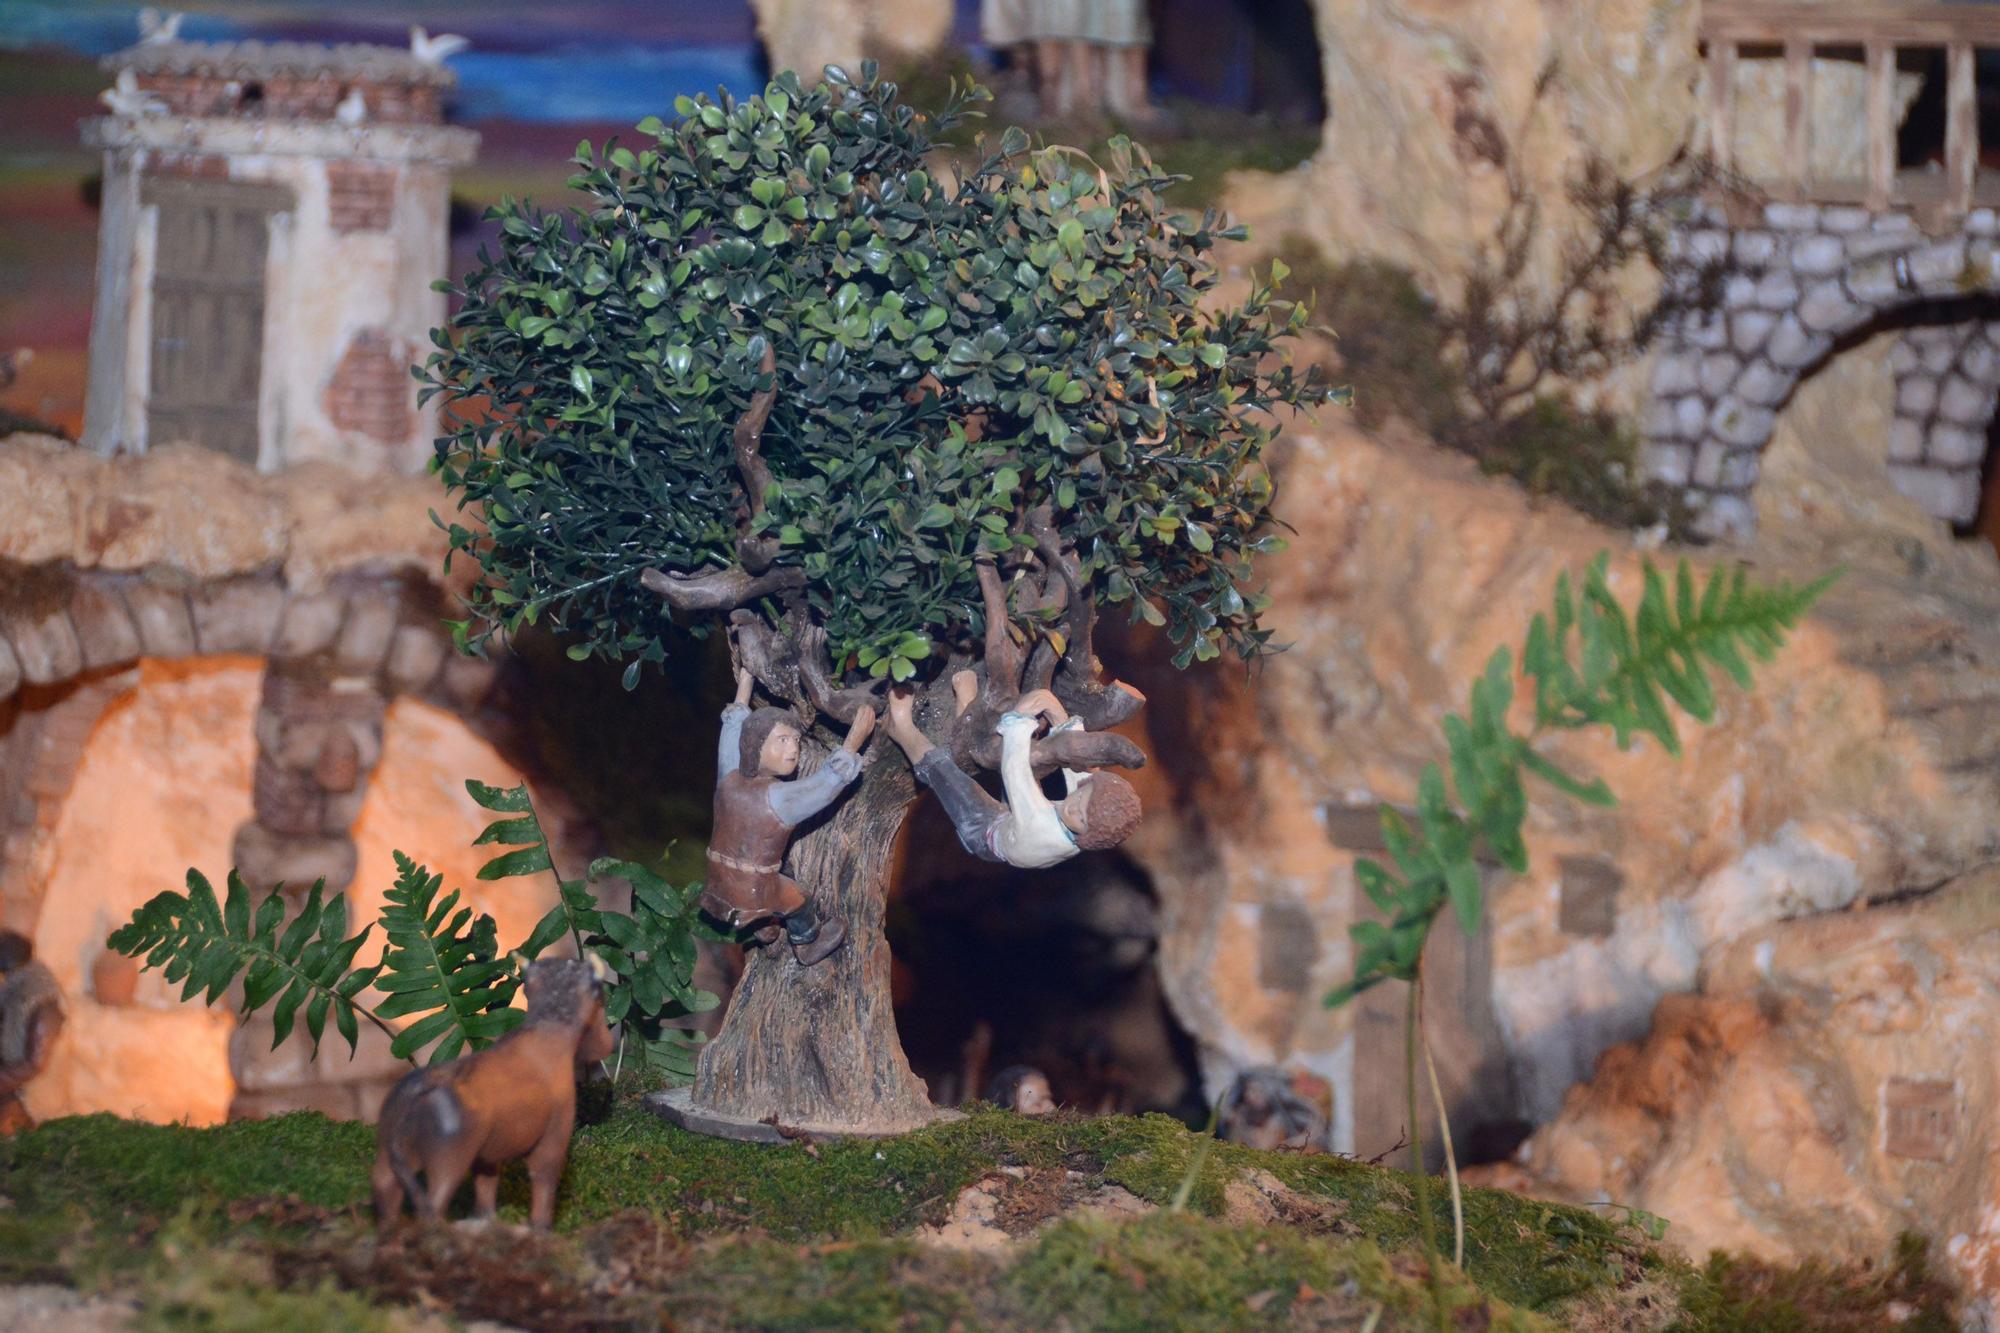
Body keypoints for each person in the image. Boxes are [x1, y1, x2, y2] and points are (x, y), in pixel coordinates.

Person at [704, 667, 874, 966]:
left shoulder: (728, 777)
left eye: (795, 741)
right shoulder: (778, 798)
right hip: (754, 890)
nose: (793, 749)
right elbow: (824, 786)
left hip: (718, 881)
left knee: (778, 877)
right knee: (798, 899)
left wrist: (745, 684)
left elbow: (731, 733)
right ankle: (807, 942)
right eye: (781, 740)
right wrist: (853, 743)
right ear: (755, 745)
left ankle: (763, 927)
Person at [884, 681, 1141, 869]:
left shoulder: (1043, 826)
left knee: (943, 770)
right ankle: (968, 713)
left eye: (1082, 819)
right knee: (1030, 758)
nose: (1073, 808)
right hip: (1019, 820)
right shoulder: (1075, 809)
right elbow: (1079, 764)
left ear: (1089, 836)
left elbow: (1014, 771)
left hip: (985, 831)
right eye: (1081, 797)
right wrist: (1060, 717)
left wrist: (1019, 721)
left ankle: (901, 727)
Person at [0, 930, 62, 1136]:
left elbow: (35, 1062)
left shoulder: (40, 999)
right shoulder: (14, 986)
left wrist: (5, 1079)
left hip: (20, 1084)